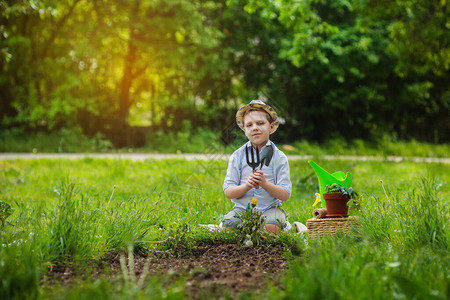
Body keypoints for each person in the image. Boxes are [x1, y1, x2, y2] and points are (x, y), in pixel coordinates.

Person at [222, 100, 291, 234]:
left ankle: (276, 225)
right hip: (242, 208)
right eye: (249, 125)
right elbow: (228, 191)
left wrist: (264, 184)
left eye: (260, 123)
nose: (254, 127)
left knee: (270, 228)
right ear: (244, 130)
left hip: (270, 208)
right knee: (228, 227)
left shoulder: (279, 157)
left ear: (271, 127)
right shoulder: (238, 156)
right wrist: (247, 185)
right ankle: (249, 228)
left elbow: (285, 195)